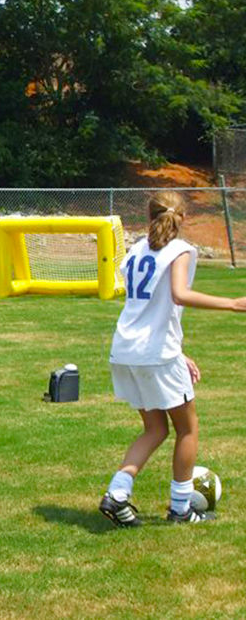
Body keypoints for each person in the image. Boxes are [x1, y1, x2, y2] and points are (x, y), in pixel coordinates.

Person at [100, 191, 246, 527]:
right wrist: (233, 304)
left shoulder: (135, 250)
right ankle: (181, 509)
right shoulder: (179, 250)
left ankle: (117, 495)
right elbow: (178, 295)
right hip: (154, 353)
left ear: (149, 216)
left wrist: (178, 351)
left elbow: (149, 308)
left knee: (154, 428)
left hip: (125, 349)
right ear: (183, 218)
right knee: (188, 429)